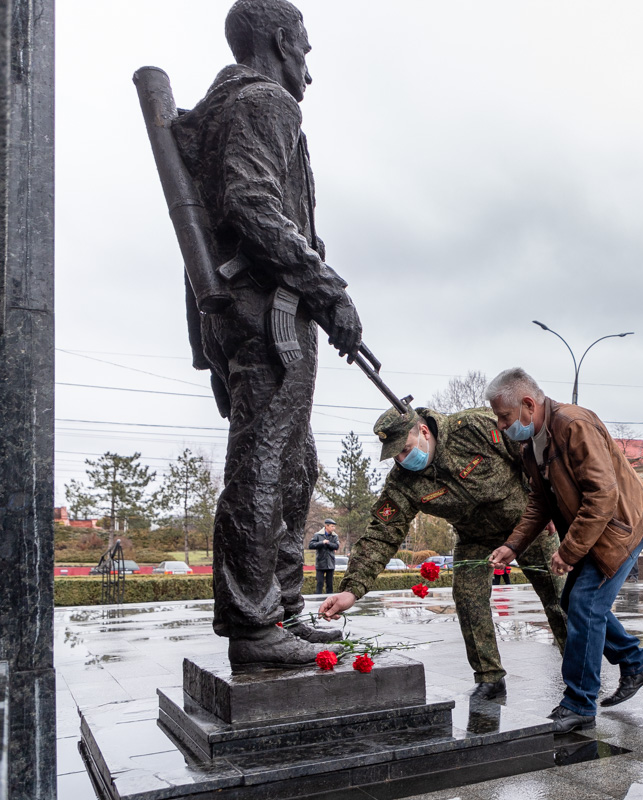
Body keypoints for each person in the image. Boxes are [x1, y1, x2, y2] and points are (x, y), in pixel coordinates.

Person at [174, 0, 364, 664]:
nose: (308, 68)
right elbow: (251, 207)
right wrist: (327, 288)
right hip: (267, 311)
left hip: (250, 310)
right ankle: (254, 626)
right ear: (283, 41)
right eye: (305, 51)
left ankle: (280, 609)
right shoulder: (264, 102)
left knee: (297, 463)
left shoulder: (232, 105)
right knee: (265, 463)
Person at [318, 404, 568, 701]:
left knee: (559, 598)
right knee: (467, 597)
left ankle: (579, 672)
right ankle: (489, 678)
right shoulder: (402, 482)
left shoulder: (472, 427)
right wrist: (352, 591)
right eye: (395, 454)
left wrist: (551, 501)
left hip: (528, 523)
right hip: (475, 536)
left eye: (406, 449)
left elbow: (532, 453)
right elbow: (380, 535)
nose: (402, 459)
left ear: (423, 431)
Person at [484, 368, 643, 733]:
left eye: (504, 416)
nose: (501, 425)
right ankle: (636, 663)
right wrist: (512, 546)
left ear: (528, 404)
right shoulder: (530, 444)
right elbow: (540, 503)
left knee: (584, 604)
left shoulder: (573, 424)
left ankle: (579, 703)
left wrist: (568, 552)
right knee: (573, 604)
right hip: (596, 526)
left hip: (621, 524)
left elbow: (603, 495)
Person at [308, 518, 339, 594]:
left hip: (330, 563)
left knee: (330, 585)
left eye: (334, 526)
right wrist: (322, 543)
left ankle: (330, 601)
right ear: (326, 526)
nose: (333, 528)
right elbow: (311, 545)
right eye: (332, 526)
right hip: (320, 563)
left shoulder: (335, 536)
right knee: (320, 584)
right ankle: (318, 601)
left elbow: (336, 546)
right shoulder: (317, 535)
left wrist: (328, 543)